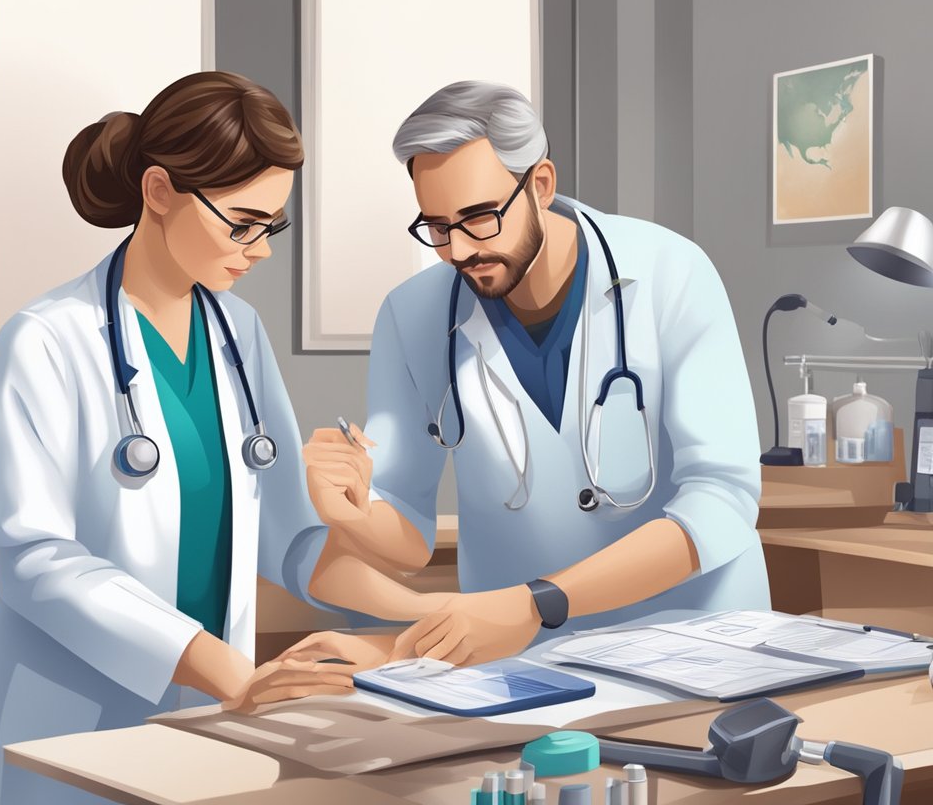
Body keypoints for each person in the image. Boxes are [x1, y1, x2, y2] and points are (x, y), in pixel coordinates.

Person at [0, 72, 360, 805]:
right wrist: (233, 673)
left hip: (210, 714)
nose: (260, 250)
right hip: (64, 717)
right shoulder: (46, 339)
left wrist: (425, 619)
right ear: (159, 191)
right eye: (243, 222)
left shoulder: (238, 332)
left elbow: (288, 534)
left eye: (272, 227)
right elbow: (36, 560)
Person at [295, 80, 770, 669]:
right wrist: (353, 507)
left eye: (480, 217)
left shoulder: (671, 271)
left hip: (695, 642)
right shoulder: (413, 314)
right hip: (520, 658)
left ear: (540, 185)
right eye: (438, 227)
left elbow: (722, 499)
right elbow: (409, 530)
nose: (460, 250)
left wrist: (537, 603)